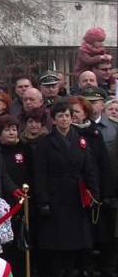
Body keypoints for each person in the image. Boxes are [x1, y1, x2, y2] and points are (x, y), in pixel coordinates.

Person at [33, 101, 99, 276]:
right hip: (55, 195)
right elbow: (39, 174)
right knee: (56, 241)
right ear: (53, 120)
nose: (64, 119)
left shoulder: (80, 140)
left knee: (75, 241)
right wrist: (43, 201)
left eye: (67, 116)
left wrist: (93, 194)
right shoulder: (45, 142)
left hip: (75, 195)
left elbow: (89, 169)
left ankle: (70, 271)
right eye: (60, 116)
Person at [68, 95, 116, 277]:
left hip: (95, 191)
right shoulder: (65, 134)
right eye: (69, 112)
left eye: (76, 112)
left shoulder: (95, 133)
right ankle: (83, 268)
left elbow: (104, 165)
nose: (72, 116)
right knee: (81, 234)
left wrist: (107, 193)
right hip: (74, 193)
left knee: (103, 234)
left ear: (85, 113)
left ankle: (107, 267)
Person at [0, 115, 33, 277]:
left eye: (14, 129)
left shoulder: (26, 148)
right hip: (2, 201)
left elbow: (33, 173)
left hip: (23, 201)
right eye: (7, 129)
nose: (11, 133)